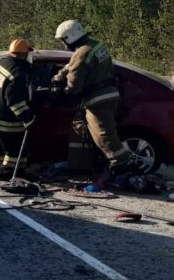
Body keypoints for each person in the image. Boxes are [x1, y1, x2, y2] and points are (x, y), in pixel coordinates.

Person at [51, 19, 137, 174]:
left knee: (103, 135)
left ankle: (122, 165)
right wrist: (59, 75)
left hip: (98, 99)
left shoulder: (82, 52)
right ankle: (87, 164)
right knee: (94, 131)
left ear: (70, 37)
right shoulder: (95, 45)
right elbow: (72, 65)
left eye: (63, 40)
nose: (64, 44)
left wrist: (65, 91)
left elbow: (75, 81)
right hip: (108, 93)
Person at [0, 39, 36, 182]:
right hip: (5, 120)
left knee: (0, 150)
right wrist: (27, 117)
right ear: (24, 54)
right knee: (14, 151)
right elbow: (14, 99)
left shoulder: (1, 63)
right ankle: (8, 174)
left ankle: (1, 169)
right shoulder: (18, 72)